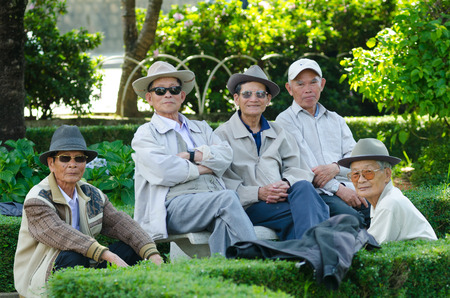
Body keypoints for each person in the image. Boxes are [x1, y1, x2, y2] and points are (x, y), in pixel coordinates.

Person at [14, 125, 163, 298]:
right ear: (51, 164)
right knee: (72, 256)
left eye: (79, 159)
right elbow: (63, 235)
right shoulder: (37, 199)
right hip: (41, 277)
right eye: (64, 158)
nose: (72, 164)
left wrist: (152, 254)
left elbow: (122, 223)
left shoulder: (93, 194)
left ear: (85, 163)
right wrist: (109, 256)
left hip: (87, 266)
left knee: (131, 248)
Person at [131, 61, 257, 256]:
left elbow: (225, 156)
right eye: (160, 90)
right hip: (172, 206)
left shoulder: (202, 127)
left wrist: (190, 156)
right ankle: (257, 260)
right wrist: (206, 167)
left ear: (182, 96)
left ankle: (223, 273)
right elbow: (164, 171)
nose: (167, 94)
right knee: (227, 199)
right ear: (149, 98)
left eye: (174, 89)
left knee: (223, 220)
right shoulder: (146, 133)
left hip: (211, 199)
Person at [215, 65, 329, 240]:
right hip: (246, 206)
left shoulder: (279, 132)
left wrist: (285, 183)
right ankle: (317, 257)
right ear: (236, 99)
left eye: (260, 94)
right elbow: (221, 183)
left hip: (283, 198)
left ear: (268, 99)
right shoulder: (221, 136)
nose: (254, 99)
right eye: (247, 94)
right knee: (313, 211)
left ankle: (304, 259)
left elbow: (300, 169)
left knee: (305, 188)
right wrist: (258, 192)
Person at [275, 58, 370, 228]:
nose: (308, 89)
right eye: (300, 84)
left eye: (313, 82)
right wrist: (339, 189)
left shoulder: (336, 119)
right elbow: (306, 167)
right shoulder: (284, 121)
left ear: (322, 84)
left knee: (382, 207)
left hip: (349, 185)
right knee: (353, 219)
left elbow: (355, 158)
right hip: (317, 193)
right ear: (289, 89)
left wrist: (336, 168)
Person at [338, 138, 437, 244]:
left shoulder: (389, 204)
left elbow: (371, 247)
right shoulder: (382, 199)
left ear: (387, 174)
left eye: (368, 172)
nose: (361, 180)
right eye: (355, 174)